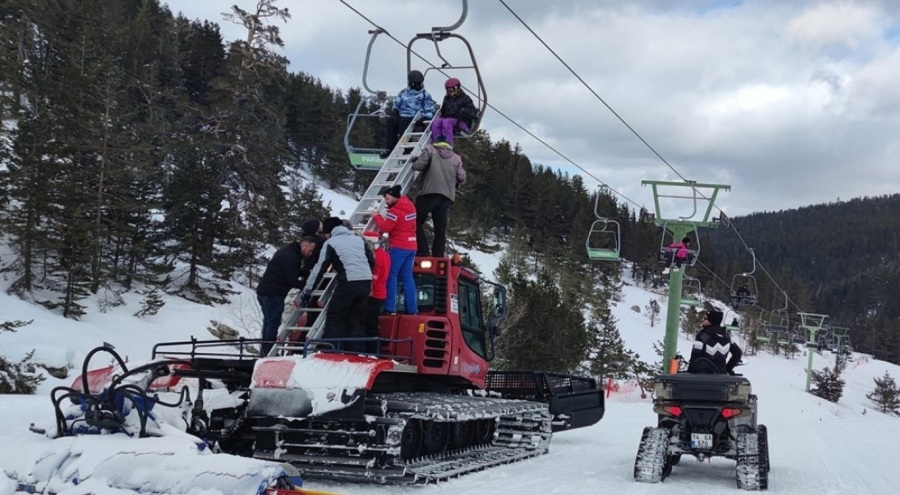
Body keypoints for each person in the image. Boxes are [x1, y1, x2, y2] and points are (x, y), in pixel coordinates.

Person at [300, 222, 374, 353]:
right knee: (355, 318)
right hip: (366, 281)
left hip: (349, 280)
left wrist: (308, 290)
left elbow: (320, 267)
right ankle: (354, 352)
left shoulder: (331, 242)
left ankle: (331, 350)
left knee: (335, 316)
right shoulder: (359, 239)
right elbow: (371, 261)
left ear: (329, 233)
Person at [256, 238, 313, 356]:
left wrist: (305, 272)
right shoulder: (292, 257)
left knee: (268, 322)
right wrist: (308, 285)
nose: (310, 254)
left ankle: (265, 350)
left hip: (264, 291)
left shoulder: (287, 251)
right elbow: (292, 280)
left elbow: (291, 271)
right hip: (274, 293)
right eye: (310, 250)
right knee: (273, 323)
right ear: (304, 247)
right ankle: (268, 351)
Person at [411, 139, 466, 257]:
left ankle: (423, 250)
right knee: (440, 227)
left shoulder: (430, 150)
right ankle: (438, 254)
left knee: (414, 220)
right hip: (446, 197)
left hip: (429, 191)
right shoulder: (456, 158)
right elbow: (461, 177)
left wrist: (415, 162)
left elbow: (419, 166)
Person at [371, 185, 418, 314]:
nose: (386, 201)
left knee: (391, 275)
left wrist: (377, 217)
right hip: (412, 246)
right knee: (408, 277)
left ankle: (390, 307)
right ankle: (412, 309)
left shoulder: (395, 212)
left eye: (387, 198)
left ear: (394, 196)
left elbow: (386, 227)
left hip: (399, 246)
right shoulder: (410, 206)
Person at [380, 70, 436, 159]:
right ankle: (390, 148)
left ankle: (407, 148)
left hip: (415, 117)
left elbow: (430, 110)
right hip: (402, 115)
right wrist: (395, 111)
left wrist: (424, 117)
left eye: (419, 84)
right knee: (391, 121)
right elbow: (397, 104)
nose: (418, 86)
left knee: (403, 123)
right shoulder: (403, 93)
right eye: (415, 84)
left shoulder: (425, 95)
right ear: (410, 84)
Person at [688, 310, 743, 375]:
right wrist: (728, 368)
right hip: (721, 376)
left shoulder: (702, 336)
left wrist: (690, 371)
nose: (703, 320)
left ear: (710, 321)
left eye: (705, 318)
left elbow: (695, 356)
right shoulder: (727, 337)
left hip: (704, 376)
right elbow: (738, 353)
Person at [362, 231, 390, 354]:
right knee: (371, 322)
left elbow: (374, 275)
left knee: (367, 322)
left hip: (374, 294)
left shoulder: (375, 256)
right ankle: (373, 349)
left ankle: (370, 350)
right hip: (380, 293)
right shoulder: (384, 254)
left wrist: (368, 289)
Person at [430, 77, 478, 146]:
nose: (450, 91)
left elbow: (473, 112)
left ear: (457, 88)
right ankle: (436, 141)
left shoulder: (465, 98)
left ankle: (448, 142)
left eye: (452, 89)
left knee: (447, 122)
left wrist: (463, 111)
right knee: (436, 122)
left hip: (461, 122)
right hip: (448, 120)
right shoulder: (446, 99)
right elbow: (443, 112)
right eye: (448, 90)